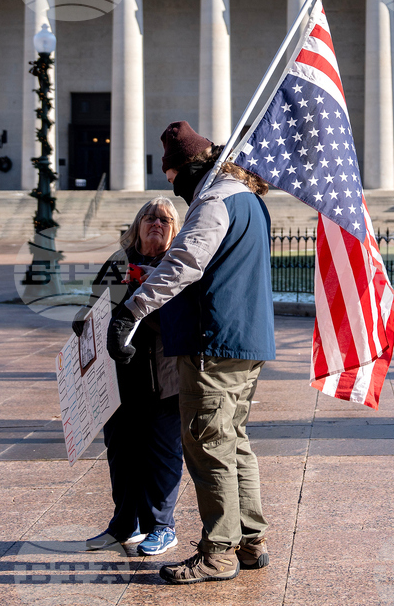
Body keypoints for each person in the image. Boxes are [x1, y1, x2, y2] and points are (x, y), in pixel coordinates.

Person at [107, 121, 275, 585]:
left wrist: (132, 311)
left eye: (172, 175)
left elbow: (185, 261)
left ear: (188, 168)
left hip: (212, 343)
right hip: (244, 339)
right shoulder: (248, 200)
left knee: (208, 446)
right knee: (233, 441)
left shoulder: (215, 200)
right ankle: (249, 539)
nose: (172, 188)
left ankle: (218, 552)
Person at [77, 197, 184, 557]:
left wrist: (134, 308)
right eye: (150, 218)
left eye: (165, 221)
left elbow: (179, 320)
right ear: (137, 225)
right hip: (117, 378)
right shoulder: (117, 261)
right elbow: (96, 301)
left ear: (175, 231)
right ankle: (125, 524)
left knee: (162, 453)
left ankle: (162, 526)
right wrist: (85, 317)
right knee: (121, 452)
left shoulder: (177, 264)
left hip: (163, 376)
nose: (156, 224)